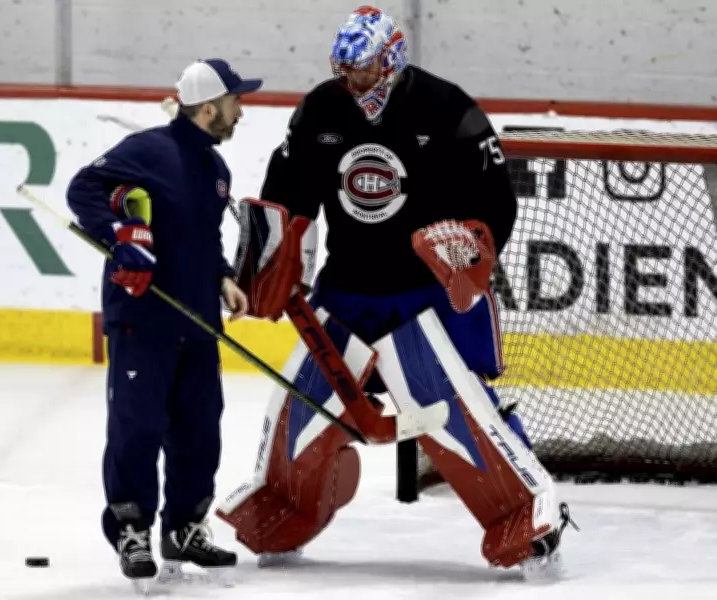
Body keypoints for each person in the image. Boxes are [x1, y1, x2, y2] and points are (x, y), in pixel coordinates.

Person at [216, 6, 575, 575]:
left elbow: (494, 203)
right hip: (346, 292)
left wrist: (469, 244)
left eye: (362, 71)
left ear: (392, 59)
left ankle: (529, 514)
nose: (352, 83)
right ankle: (286, 502)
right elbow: (288, 194)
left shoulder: (448, 107)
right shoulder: (321, 109)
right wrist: (267, 261)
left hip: (423, 298)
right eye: (345, 71)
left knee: (458, 413)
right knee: (300, 407)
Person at [66, 58, 260, 586]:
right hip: (143, 323)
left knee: (200, 432)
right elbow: (82, 190)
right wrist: (120, 236)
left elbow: (206, 236)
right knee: (137, 429)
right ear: (209, 107)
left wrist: (222, 277)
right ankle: (132, 532)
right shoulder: (146, 150)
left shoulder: (216, 170)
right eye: (236, 101)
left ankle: (186, 528)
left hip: (198, 323)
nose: (242, 110)